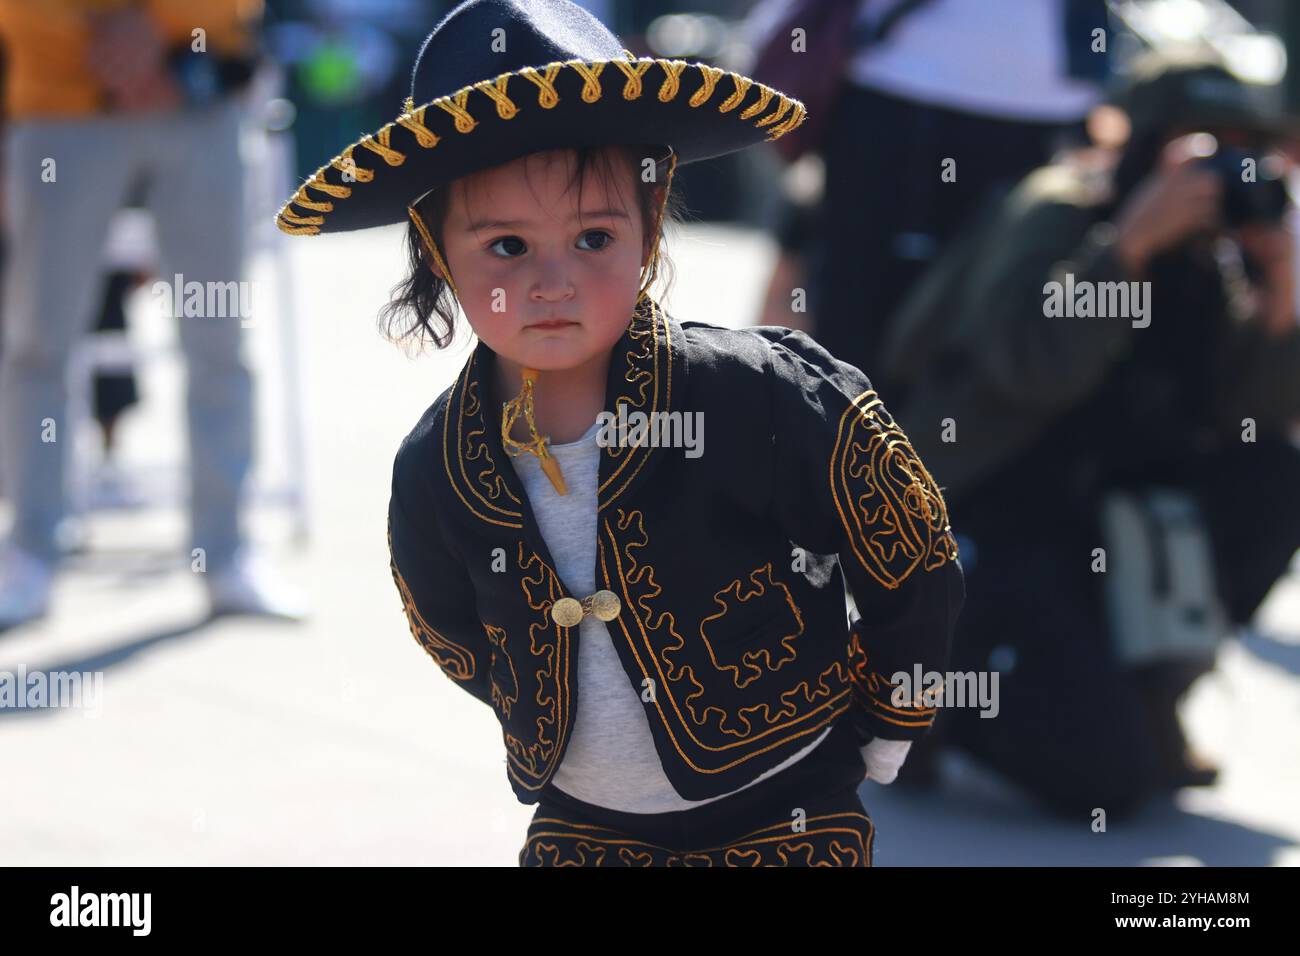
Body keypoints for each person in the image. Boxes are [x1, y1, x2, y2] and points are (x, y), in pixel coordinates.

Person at [276, 0, 964, 866]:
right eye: (506, 248)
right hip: (586, 825)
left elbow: (908, 540)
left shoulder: (757, 394)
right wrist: (545, 696)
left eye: (592, 236)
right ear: (438, 248)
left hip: (786, 805)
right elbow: (449, 626)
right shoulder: (437, 467)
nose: (553, 282)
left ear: (648, 226)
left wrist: (886, 717)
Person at [876, 48, 1300, 817]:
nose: (1225, 167)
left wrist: (1280, 297)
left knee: (1276, 474)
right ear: (1144, 142)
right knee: (1102, 781)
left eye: (1244, 145)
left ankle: (1153, 690)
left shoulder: (1214, 257)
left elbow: (1253, 419)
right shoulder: (1062, 210)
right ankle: (927, 690)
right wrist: (1128, 248)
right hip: (993, 514)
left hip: (1109, 523)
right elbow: (1030, 368)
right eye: (1201, 144)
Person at [0, 0, 306, 627]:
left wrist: (161, 27)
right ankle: (30, 549)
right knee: (38, 342)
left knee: (218, 339)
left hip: (196, 99)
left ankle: (225, 553)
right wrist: (100, 43)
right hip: (57, 109)